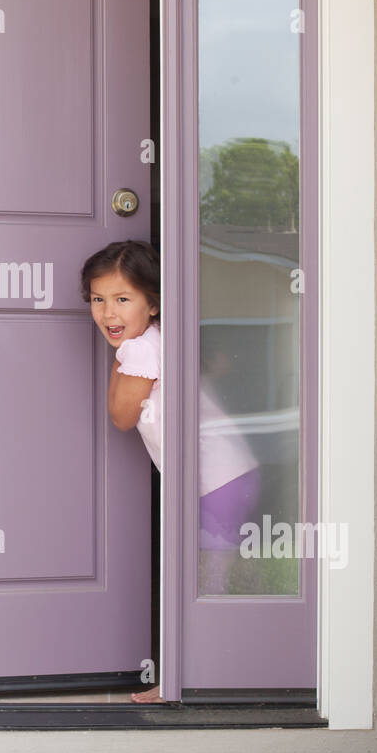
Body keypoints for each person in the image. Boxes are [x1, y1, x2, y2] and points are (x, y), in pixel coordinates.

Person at [80, 239, 261, 703]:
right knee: (218, 575)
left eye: (123, 299)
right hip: (228, 474)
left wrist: (121, 362)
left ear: (153, 302)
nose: (108, 313)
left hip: (216, 479)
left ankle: (192, 679)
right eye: (98, 300)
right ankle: (238, 665)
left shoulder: (140, 351)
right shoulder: (156, 341)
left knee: (205, 582)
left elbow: (121, 416)